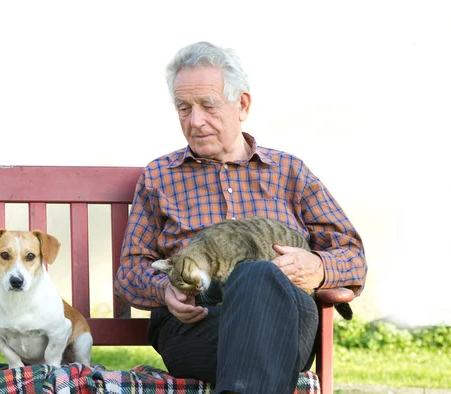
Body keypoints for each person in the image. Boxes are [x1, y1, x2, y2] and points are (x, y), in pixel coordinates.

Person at [114, 41, 367, 394]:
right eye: (183, 107)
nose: (195, 120)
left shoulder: (289, 172)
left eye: (208, 105)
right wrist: (165, 288)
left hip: (286, 313)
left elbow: (352, 255)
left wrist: (318, 267)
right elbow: (129, 272)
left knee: (256, 274)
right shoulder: (160, 176)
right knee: (262, 341)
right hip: (198, 323)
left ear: (242, 104)